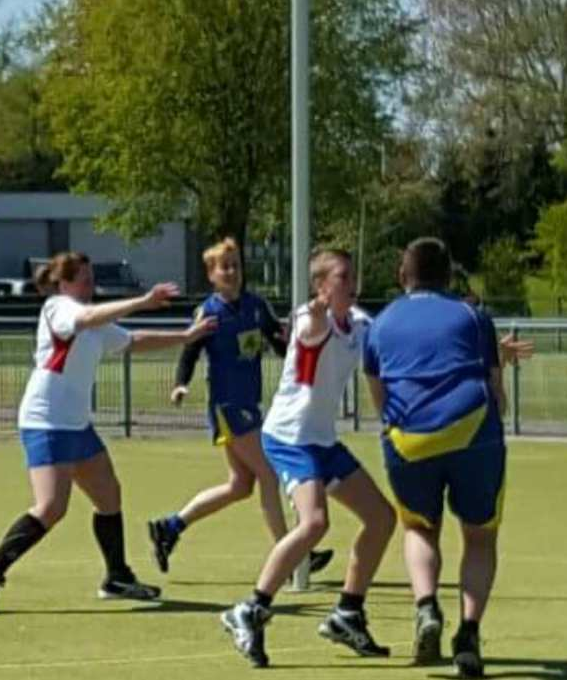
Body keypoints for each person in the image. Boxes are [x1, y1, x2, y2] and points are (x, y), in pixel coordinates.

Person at [0, 251, 215, 615]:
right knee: (51, 508)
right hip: (45, 419)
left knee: (109, 494)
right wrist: (143, 301)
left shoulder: (96, 321)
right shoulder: (59, 308)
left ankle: (117, 577)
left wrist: (185, 336)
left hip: (76, 423)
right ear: (63, 283)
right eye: (82, 278)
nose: (89, 283)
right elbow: (85, 318)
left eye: (91, 277)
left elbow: (133, 341)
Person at [221, 248, 396, 668]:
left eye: (353, 276)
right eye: (342, 277)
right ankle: (250, 609)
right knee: (315, 522)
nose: (352, 284)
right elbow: (312, 327)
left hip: (321, 440)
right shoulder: (307, 318)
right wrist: (319, 310)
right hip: (289, 437)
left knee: (382, 518)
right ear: (321, 285)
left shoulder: (360, 323)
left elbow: (395, 340)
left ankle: (348, 613)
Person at [363, 237, 508, 678]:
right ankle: (468, 633)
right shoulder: (472, 316)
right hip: (472, 432)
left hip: (408, 439)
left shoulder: (381, 323)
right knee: (479, 537)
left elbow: (378, 396)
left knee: (420, 528)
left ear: (402, 275)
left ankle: (426, 607)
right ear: (449, 276)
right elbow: (497, 392)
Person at [147, 238, 333, 578]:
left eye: (236, 266)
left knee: (240, 485)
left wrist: (295, 339)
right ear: (212, 274)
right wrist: (180, 383)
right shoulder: (210, 312)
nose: (232, 272)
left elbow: (279, 345)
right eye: (224, 267)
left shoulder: (256, 306)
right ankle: (291, 553)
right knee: (269, 473)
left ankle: (170, 527)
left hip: (250, 402)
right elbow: (190, 349)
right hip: (228, 405)